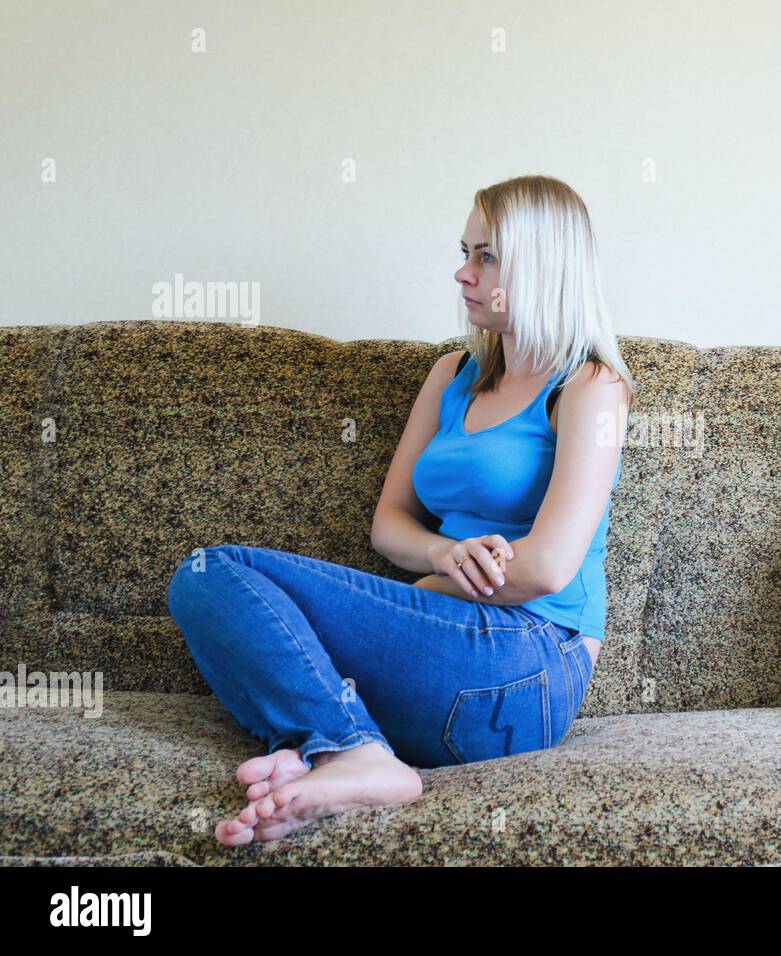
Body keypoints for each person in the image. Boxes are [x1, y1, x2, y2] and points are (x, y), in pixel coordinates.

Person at [167, 175, 636, 845]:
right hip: (443, 646)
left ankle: (333, 744)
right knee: (206, 579)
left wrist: (427, 586)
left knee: (221, 568)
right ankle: (340, 747)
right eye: (465, 251)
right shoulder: (452, 375)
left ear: (543, 263)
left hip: (529, 661)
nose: (462, 272)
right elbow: (389, 524)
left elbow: (547, 570)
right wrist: (443, 554)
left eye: (486, 256)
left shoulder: (591, 386)